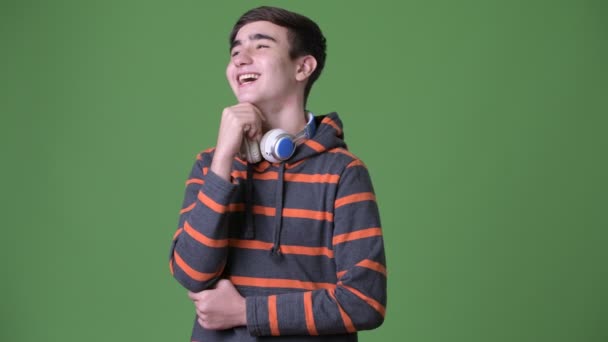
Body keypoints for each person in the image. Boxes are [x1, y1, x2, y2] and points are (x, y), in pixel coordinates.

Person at [169, 6, 387, 341]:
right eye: (236, 50)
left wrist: (244, 312)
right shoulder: (211, 166)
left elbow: (364, 302)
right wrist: (225, 158)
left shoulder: (343, 172)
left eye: (260, 45)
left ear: (302, 67)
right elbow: (191, 274)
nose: (241, 58)